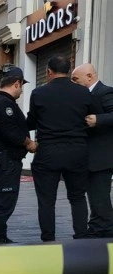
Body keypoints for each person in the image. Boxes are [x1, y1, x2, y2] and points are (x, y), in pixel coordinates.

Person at [26, 56, 95, 242]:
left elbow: (31, 122)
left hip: (48, 152)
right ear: (68, 70)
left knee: (46, 200)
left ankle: (48, 239)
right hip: (77, 151)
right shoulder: (84, 93)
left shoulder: (39, 93)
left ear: (48, 71)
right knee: (78, 196)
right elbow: (92, 119)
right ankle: (81, 236)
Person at [0, 66, 37, 245]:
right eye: (21, 86)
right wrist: (29, 143)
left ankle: (0, 236)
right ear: (17, 83)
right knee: (4, 201)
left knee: (4, 200)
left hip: (3, 160)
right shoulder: (4, 104)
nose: (22, 91)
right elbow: (10, 132)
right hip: (5, 161)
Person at [72, 63, 113, 238]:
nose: (73, 83)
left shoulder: (105, 92)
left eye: (76, 79)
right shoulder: (84, 95)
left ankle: (104, 227)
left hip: (102, 156)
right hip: (90, 156)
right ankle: (97, 225)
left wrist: (99, 119)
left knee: (99, 194)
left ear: (89, 76)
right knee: (94, 194)